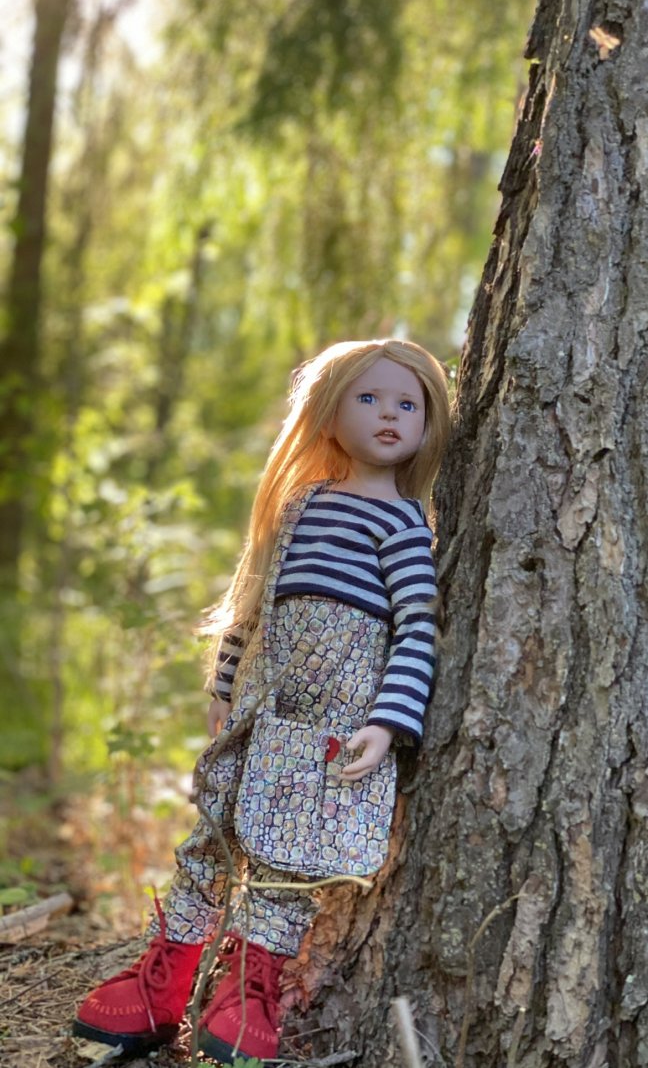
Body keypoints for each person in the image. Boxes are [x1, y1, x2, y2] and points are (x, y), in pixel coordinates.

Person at [73, 338, 451, 1065]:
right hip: (258, 711)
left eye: (408, 404)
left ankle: (248, 991)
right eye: (368, 398)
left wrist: (387, 721)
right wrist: (224, 686)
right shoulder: (299, 505)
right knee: (210, 836)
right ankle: (164, 980)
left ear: (427, 423)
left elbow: (416, 628)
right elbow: (254, 605)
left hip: (330, 728)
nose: (389, 415)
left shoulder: (403, 525)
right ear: (328, 413)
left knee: (289, 859)